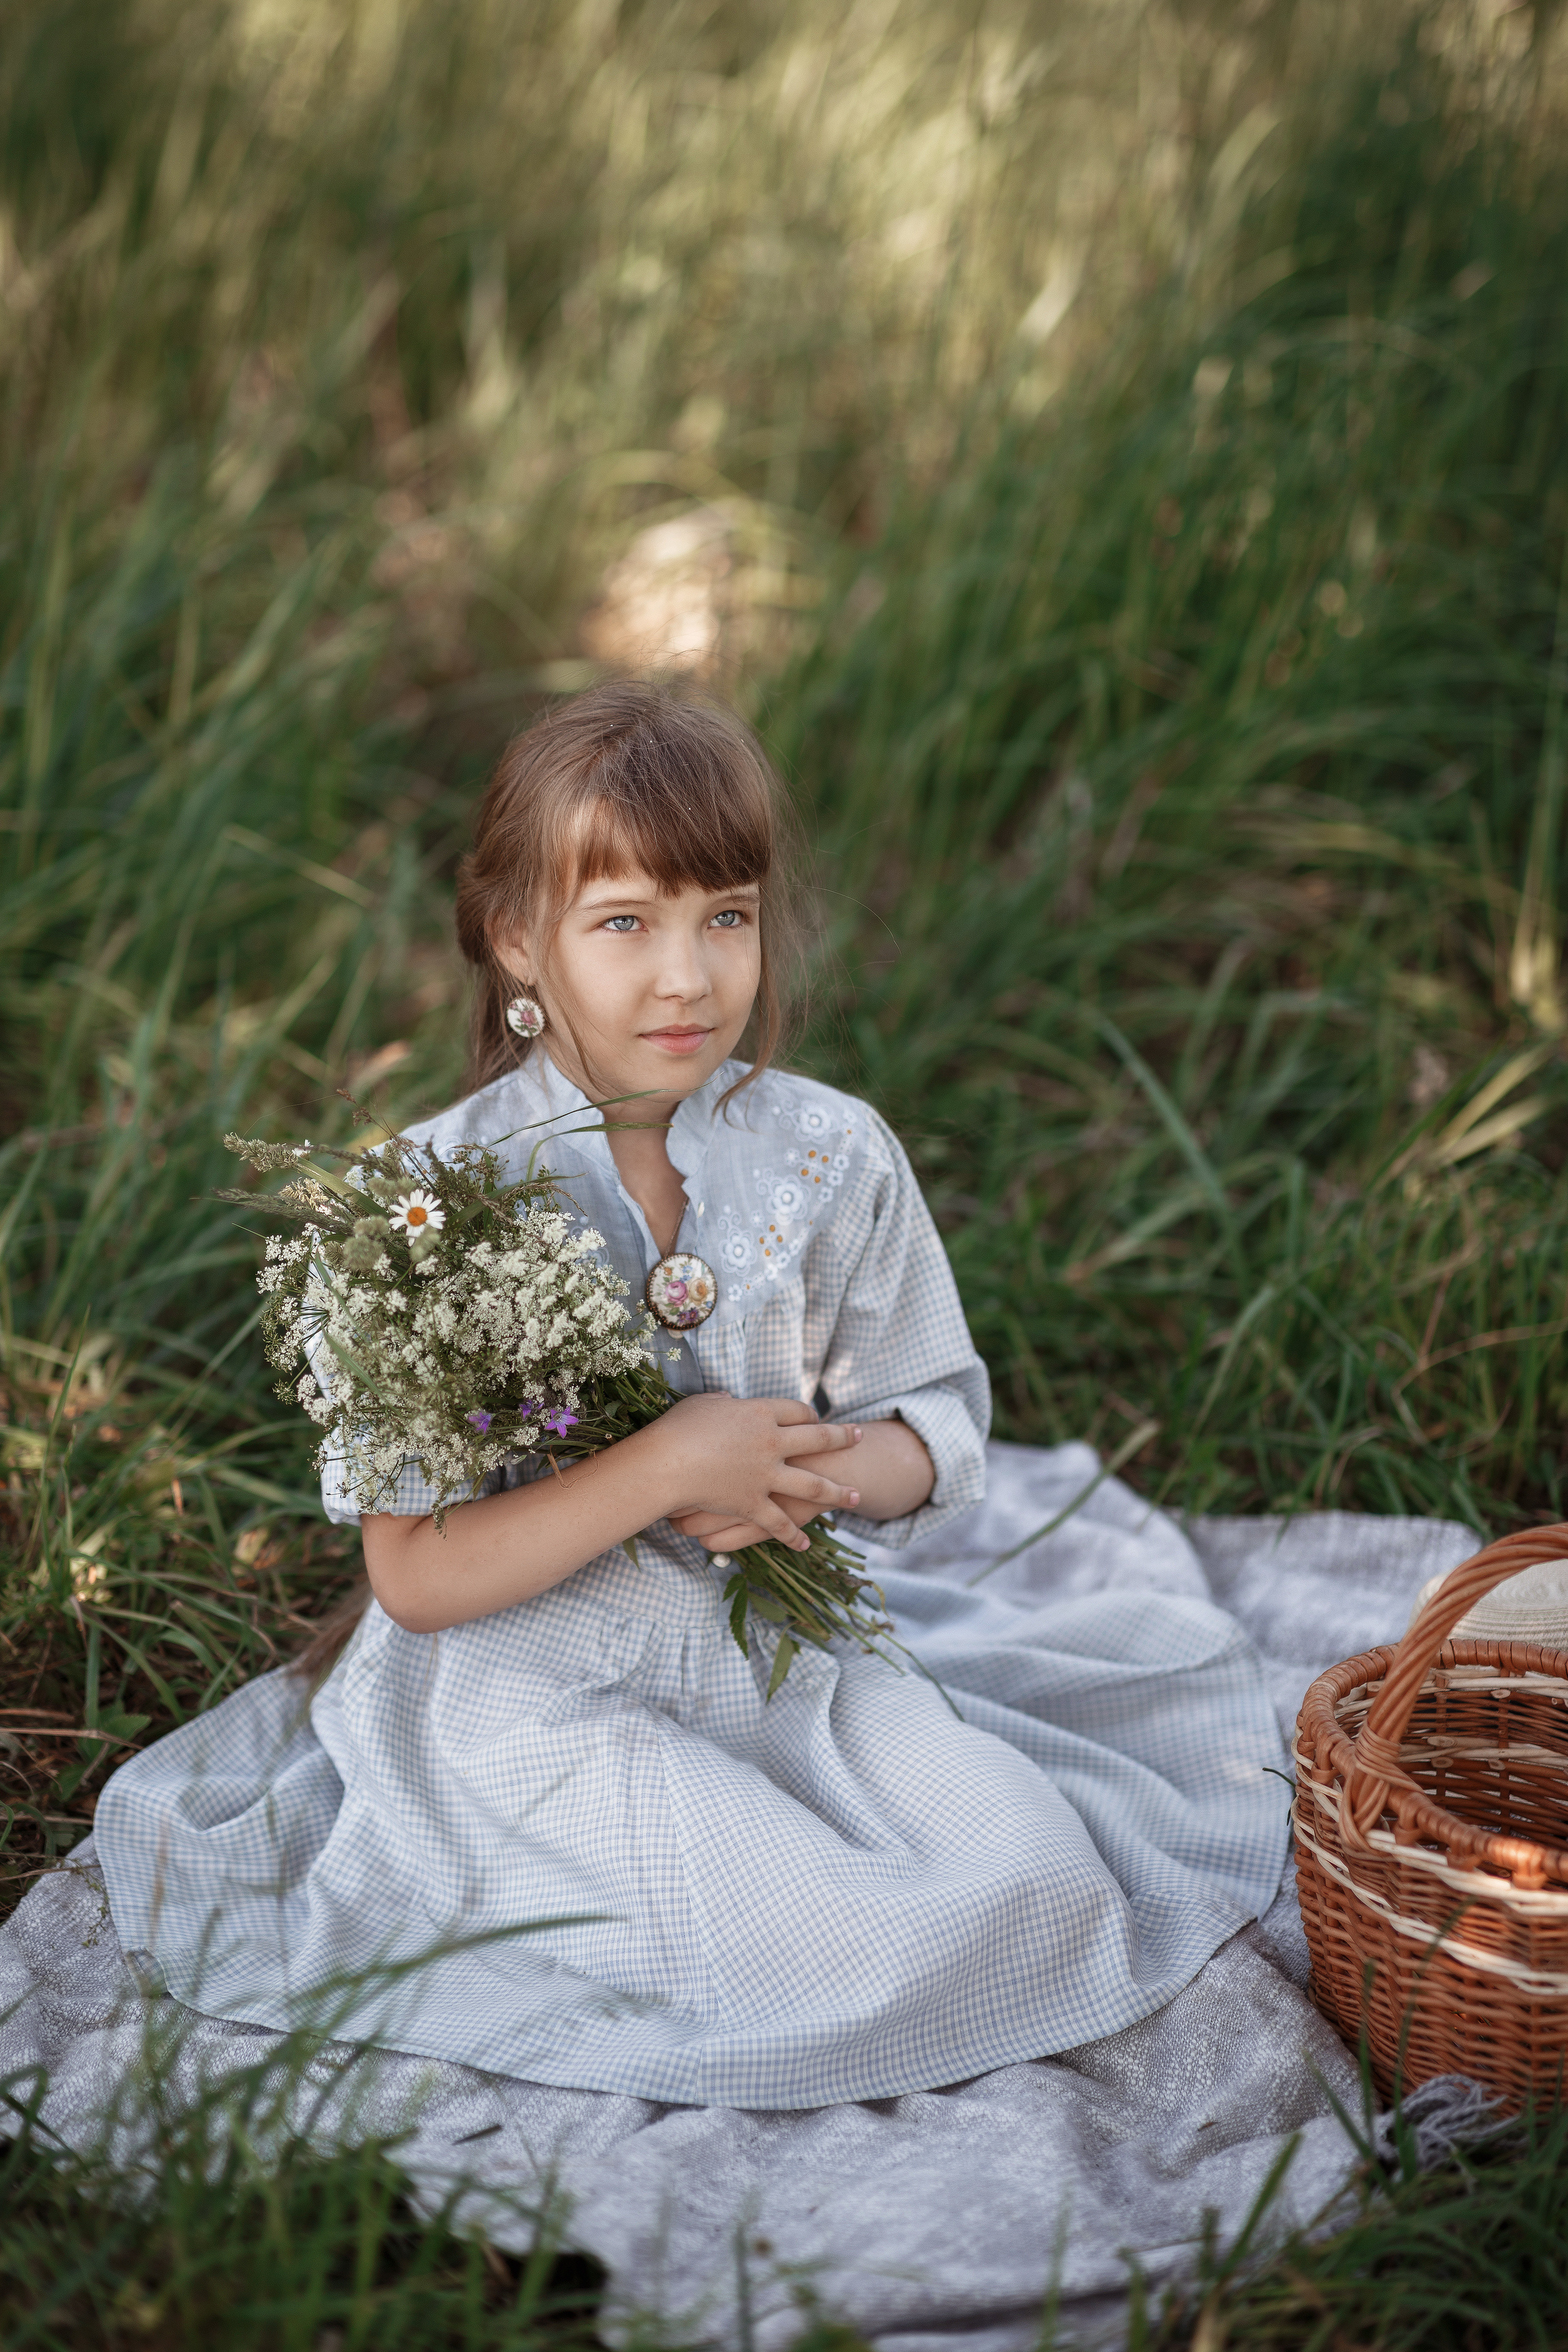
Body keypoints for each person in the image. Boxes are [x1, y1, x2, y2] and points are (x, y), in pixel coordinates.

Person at [94, 684, 1286, 2108]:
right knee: (846, 1947)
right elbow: (412, 1577)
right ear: (516, 940)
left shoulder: (827, 1154)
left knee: (1038, 1881)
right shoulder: (420, 1211)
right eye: (624, 925)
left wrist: (816, 1475)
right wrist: (666, 1466)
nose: (687, 978)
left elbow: (935, 1427)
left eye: (724, 916)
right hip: (532, 1695)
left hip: (779, 1656)